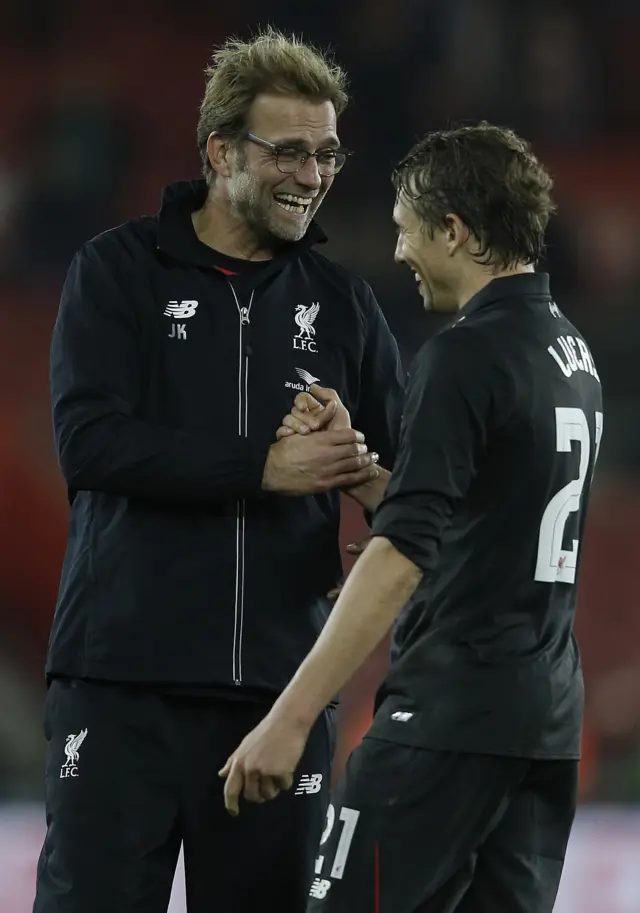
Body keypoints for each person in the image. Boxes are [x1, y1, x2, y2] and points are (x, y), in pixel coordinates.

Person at [34, 29, 404, 913]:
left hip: (279, 699)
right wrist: (262, 466)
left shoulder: (344, 306)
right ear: (220, 151)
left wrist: (365, 479)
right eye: (288, 151)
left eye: (325, 153)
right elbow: (89, 445)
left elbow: (409, 485)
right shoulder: (118, 271)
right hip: (123, 688)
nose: (312, 174)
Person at [220, 122, 603, 913]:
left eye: (407, 231)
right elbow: (487, 517)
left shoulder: (464, 354)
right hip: (542, 722)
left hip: (444, 712)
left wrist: (288, 719)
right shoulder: (570, 353)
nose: (399, 253)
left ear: (454, 231)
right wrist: (360, 470)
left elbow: (400, 555)